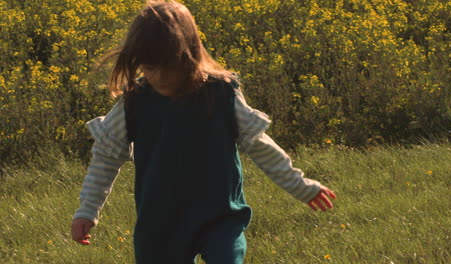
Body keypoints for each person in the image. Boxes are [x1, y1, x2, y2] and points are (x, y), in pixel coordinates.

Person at [70, 1, 336, 263]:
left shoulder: (221, 93)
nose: (158, 77)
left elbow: (260, 145)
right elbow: (105, 158)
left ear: (188, 56)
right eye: (149, 68)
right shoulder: (135, 101)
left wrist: (300, 186)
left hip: (220, 218)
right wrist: (87, 211)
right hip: (160, 224)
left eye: (166, 67)